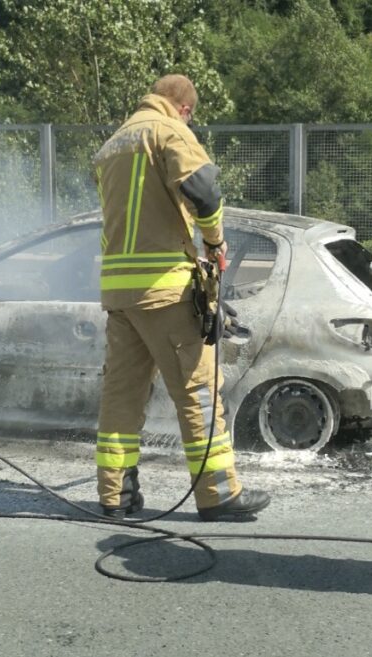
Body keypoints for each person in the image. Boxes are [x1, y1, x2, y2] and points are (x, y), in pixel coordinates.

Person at [92, 74, 270, 521]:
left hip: (118, 293)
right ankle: (218, 494)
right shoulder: (168, 130)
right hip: (164, 290)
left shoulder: (111, 145)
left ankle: (116, 496)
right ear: (185, 108)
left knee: (121, 396)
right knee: (198, 390)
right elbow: (204, 191)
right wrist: (214, 241)